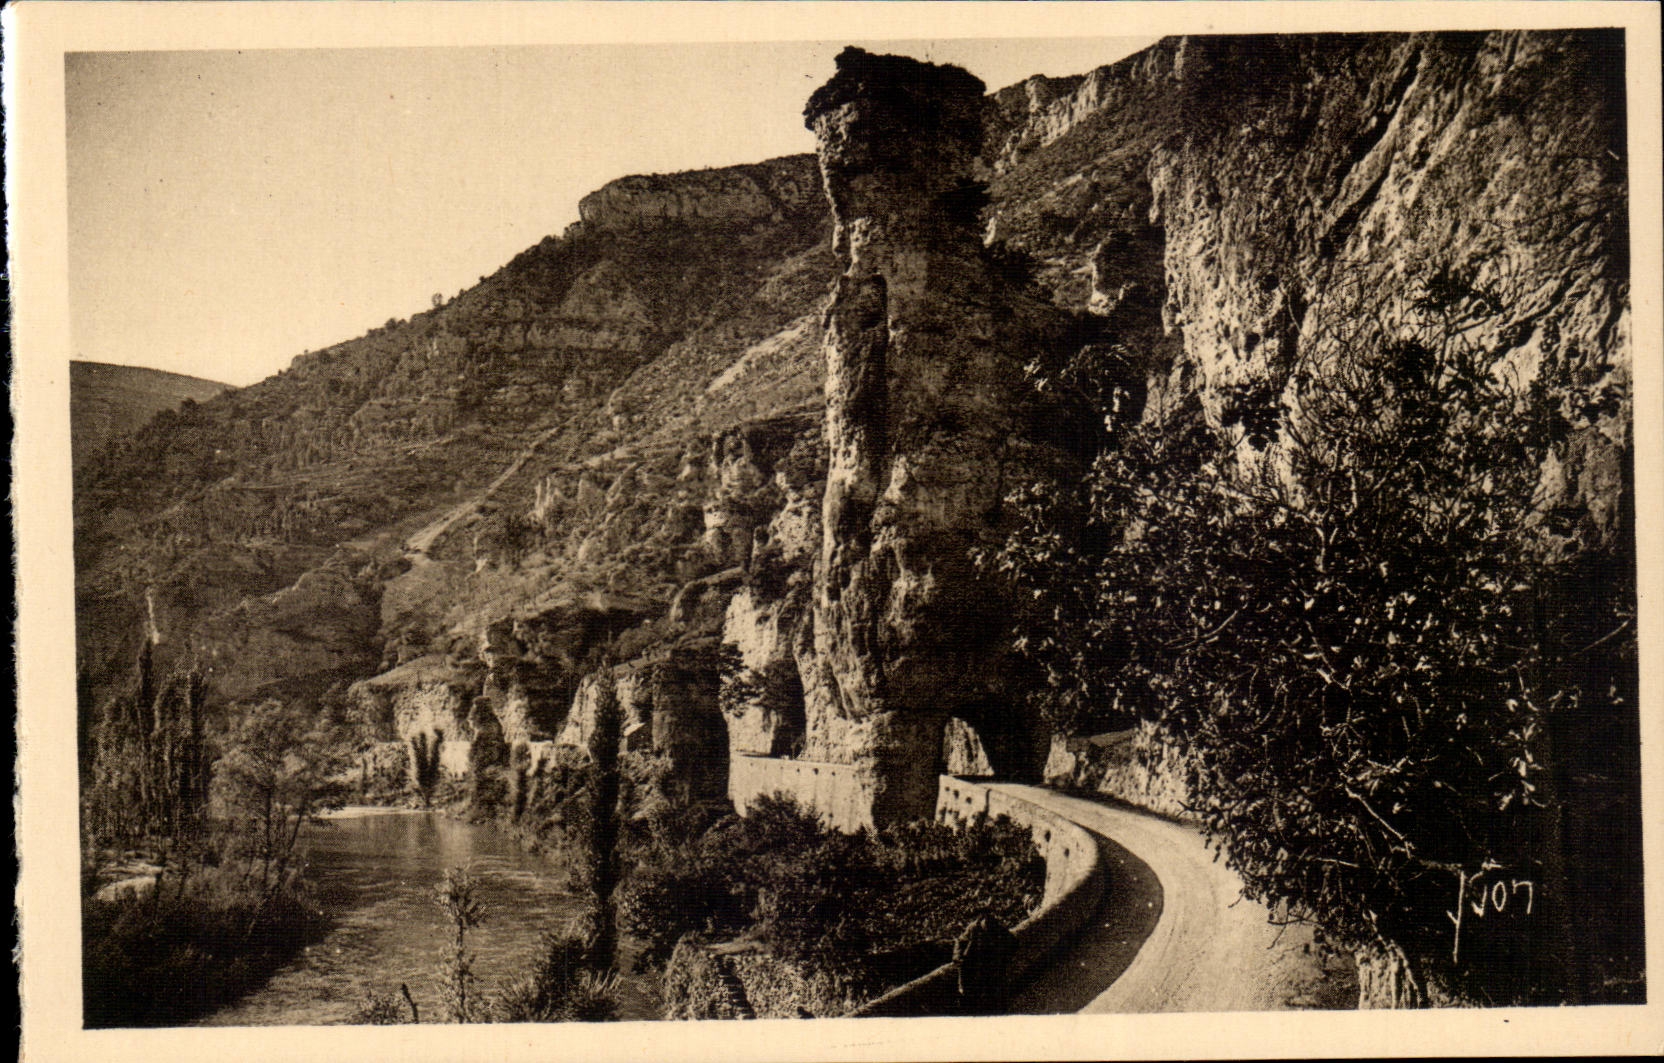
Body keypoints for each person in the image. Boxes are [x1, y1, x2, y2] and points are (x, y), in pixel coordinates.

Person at [954, 908, 1017, 1015]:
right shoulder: (973, 928)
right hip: (977, 966)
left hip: (993, 969)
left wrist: (1004, 957)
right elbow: (960, 942)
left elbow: (1013, 943)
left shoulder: (998, 929)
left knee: (996, 999)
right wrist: (958, 956)